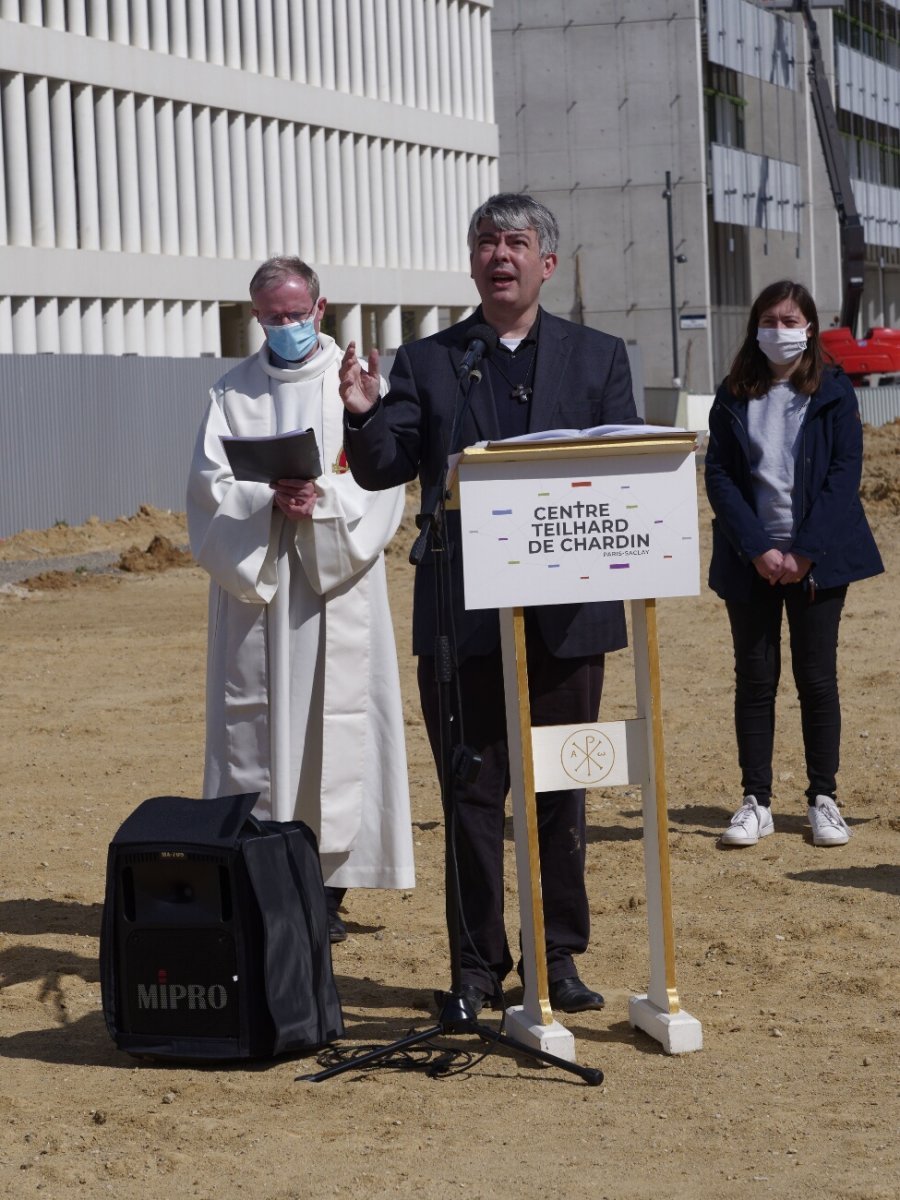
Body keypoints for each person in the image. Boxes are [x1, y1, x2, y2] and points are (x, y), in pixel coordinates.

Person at [339, 193, 640, 1015]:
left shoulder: (600, 357)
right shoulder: (432, 360)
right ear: (472, 263)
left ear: (546, 262)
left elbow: (623, 472)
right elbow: (383, 468)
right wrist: (363, 414)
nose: (499, 255)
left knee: (562, 792)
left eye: (515, 242)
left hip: (570, 619)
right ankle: (476, 968)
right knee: (473, 797)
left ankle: (559, 958)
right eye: (485, 243)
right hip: (461, 618)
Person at [187, 256, 415, 941]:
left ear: (321, 309)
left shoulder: (354, 387)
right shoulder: (231, 393)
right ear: (256, 316)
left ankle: (333, 887)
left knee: (337, 730)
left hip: (337, 585)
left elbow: (383, 480)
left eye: (295, 313)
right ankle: (263, 877)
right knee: (260, 735)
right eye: (271, 316)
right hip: (261, 591)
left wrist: (320, 500)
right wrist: (269, 497)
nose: (284, 325)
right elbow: (208, 492)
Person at [705, 279, 883, 849]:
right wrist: (760, 549)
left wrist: (802, 551)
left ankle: (822, 799)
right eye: (770, 320)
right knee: (754, 680)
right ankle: (754, 800)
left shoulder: (832, 391)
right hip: (749, 558)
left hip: (819, 559)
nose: (779, 330)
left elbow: (842, 476)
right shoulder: (733, 393)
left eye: (790, 320)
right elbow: (721, 476)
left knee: (816, 678)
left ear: (808, 327)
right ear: (755, 327)